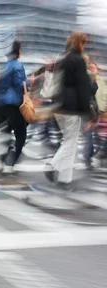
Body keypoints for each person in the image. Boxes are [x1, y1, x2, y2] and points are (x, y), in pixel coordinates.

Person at [46, 32, 93, 187]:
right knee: (70, 142)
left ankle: (64, 179)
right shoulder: (78, 60)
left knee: (69, 142)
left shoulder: (63, 59)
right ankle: (52, 165)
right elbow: (82, 87)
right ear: (81, 43)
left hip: (59, 105)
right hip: (72, 107)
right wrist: (88, 111)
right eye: (84, 43)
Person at [0, 40, 29, 171]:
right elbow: (20, 84)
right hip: (14, 104)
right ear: (18, 51)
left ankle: (2, 160)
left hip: (2, 105)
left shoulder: (3, 66)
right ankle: (11, 162)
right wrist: (29, 82)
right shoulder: (17, 65)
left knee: (6, 132)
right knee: (21, 134)